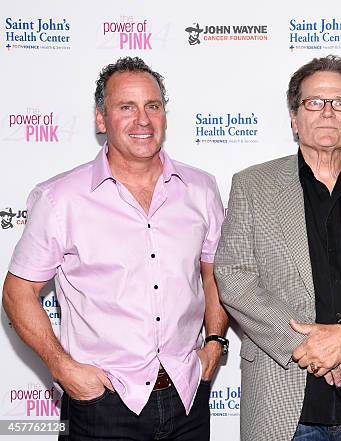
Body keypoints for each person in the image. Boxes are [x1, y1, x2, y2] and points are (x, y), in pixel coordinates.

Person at [2, 56, 228, 441]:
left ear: (164, 116)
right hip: (101, 401)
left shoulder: (201, 189)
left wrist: (214, 344)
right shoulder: (61, 199)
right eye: (126, 107)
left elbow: (214, 273)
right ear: (101, 120)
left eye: (152, 106)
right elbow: (17, 291)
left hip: (188, 395)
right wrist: (62, 368)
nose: (142, 119)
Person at [214, 55, 341, 441]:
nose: (328, 112)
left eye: (340, 103)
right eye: (314, 102)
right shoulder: (252, 185)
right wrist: (310, 347)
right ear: (294, 118)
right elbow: (234, 278)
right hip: (283, 401)